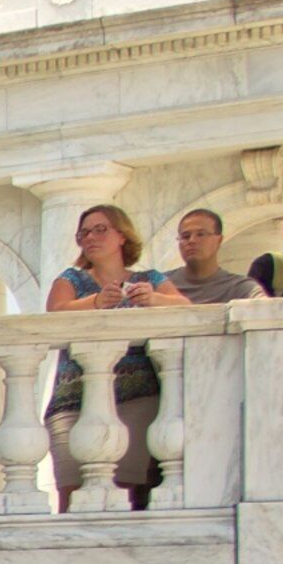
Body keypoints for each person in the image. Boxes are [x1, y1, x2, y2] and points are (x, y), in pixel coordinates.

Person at [43, 203, 186, 511]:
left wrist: (154, 298)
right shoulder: (71, 279)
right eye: (84, 233)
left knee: (122, 492)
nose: (91, 238)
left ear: (122, 235)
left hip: (135, 396)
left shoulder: (150, 277)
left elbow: (185, 306)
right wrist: (95, 301)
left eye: (100, 229)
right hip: (73, 396)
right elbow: (54, 313)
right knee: (70, 490)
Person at [167, 209, 261, 306]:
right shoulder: (160, 285)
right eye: (186, 236)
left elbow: (264, 304)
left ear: (219, 240)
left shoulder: (239, 288)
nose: (192, 241)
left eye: (200, 234)